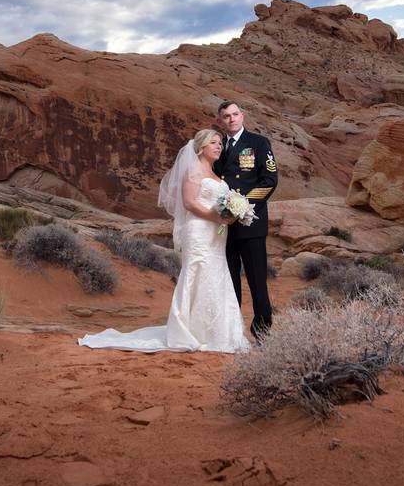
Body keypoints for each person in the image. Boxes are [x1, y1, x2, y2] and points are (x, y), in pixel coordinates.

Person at [78, 129, 250, 353]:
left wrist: (230, 213)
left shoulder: (217, 175)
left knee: (216, 273)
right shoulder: (193, 170)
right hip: (198, 230)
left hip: (216, 234)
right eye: (214, 143)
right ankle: (188, 331)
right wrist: (216, 217)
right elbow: (189, 203)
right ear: (201, 147)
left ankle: (217, 332)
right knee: (197, 271)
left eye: (220, 143)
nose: (219, 146)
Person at [213, 101, 277, 339]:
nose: (232, 119)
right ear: (221, 121)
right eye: (226, 116)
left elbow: (269, 180)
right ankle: (233, 332)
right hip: (225, 227)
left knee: (257, 283)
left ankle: (262, 333)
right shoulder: (218, 145)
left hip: (251, 224)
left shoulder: (259, 143)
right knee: (230, 283)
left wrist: (242, 206)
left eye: (235, 114)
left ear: (243, 116)